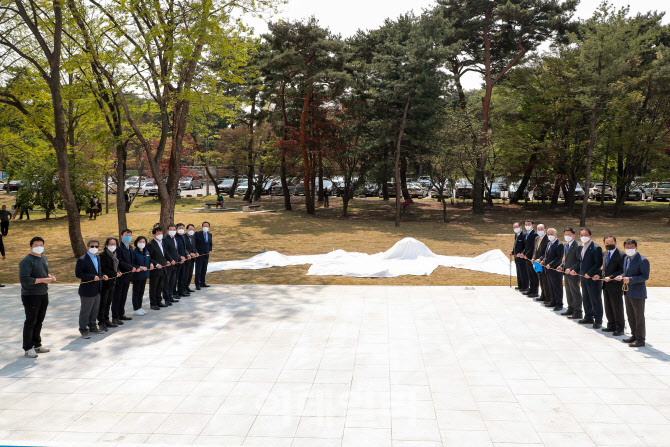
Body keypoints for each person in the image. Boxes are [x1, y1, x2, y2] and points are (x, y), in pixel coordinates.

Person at [19, 237, 56, 358]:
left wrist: (50, 277)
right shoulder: (27, 261)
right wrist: (43, 280)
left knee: (39, 320)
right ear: (31, 247)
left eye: (41, 245)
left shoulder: (43, 257)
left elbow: (44, 273)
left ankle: (37, 344)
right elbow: (25, 280)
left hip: (43, 293)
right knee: (31, 321)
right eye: (36, 245)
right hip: (31, 295)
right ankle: (28, 347)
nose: (39, 247)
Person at [617, 239, 650, 347]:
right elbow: (626, 272)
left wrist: (630, 279)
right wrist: (621, 276)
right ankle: (634, 335)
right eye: (627, 247)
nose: (629, 249)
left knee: (638, 316)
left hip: (637, 293)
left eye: (631, 247)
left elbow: (645, 276)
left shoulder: (643, 260)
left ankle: (640, 339)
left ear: (636, 248)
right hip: (627, 291)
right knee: (630, 315)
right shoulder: (627, 258)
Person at [594, 235, 625, 336]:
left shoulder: (621, 255)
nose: (609, 244)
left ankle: (620, 328)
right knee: (608, 306)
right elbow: (604, 269)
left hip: (616, 285)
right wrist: (598, 275)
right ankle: (611, 325)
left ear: (615, 243)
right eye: (607, 243)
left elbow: (622, 270)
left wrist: (611, 277)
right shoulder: (605, 253)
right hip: (605, 285)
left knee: (617, 306)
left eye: (611, 242)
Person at [75, 240, 104, 339]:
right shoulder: (82, 259)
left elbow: (99, 271)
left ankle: (92, 326)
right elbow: (78, 274)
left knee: (95, 309)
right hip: (87, 289)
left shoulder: (98, 258)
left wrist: (103, 275)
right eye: (92, 246)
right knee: (86, 310)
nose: (94, 248)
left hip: (97, 288)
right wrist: (91, 277)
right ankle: (83, 329)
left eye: (96, 246)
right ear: (87, 247)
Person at [576, 228, 604, 329]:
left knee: (595, 299)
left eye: (586, 234)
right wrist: (575, 270)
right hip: (583, 277)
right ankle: (588, 316)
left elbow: (598, 263)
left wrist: (590, 273)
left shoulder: (596, 248)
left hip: (593, 278)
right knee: (586, 298)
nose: (584, 236)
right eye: (582, 235)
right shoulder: (580, 247)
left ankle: (598, 320)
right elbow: (580, 262)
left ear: (590, 236)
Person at [558, 228, 583, 319]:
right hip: (567, 273)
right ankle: (570, 308)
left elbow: (579, 261)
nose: (567, 236)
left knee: (575, 292)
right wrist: (561, 265)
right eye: (565, 234)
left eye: (569, 234)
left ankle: (578, 311)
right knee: (568, 291)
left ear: (573, 235)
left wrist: (572, 269)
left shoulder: (578, 246)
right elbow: (566, 259)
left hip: (574, 273)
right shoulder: (566, 245)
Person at [111, 229, 135, 324]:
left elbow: (132, 261)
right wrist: (130, 267)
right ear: (121, 236)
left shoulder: (130, 247)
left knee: (124, 295)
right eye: (126, 234)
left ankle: (121, 313)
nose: (128, 236)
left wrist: (134, 267)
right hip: (120, 276)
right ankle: (115, 316)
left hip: (127, 276)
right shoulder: (119, 248)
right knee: (117, 296)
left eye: (130, 234)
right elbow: (119, 261)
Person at [98, 237, 121, 331]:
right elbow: (103, 268)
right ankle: (101, 321)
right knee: (103, 303)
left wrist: (118, 272)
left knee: (108, 302)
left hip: (113, 281)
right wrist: (114, 273)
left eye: (114, 244)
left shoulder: (115, 254)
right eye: (111, 244)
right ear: (107, 245)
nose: (113, 246)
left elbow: (116, 266)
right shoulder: (102, 255)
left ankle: (107, 319)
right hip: (105, 282)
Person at [542, 228, 565, 311]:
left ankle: (559, 304)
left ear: (556, 234)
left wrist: (551, 264)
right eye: (548, 234)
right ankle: (553, 301)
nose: (550, 235)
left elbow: (559, 257)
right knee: (551, 286)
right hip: (548, 269)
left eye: (551, 234)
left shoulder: (559, 244)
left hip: (555, 269)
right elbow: (547, 256)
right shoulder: (549, 243)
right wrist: (543, 261)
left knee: (557, 287)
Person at [147, 227, 168, 309]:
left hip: (162, 268)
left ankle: (159, 301)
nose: (160, 235)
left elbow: (163, 255)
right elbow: (149, 257)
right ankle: (153, 303)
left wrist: (166, 261)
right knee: (153, 287)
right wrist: (156, 264)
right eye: (158, 233)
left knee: (160, 286)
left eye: (161, 233)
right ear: (154, 235)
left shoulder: (161, 243)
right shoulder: (150, 244)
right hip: (155, 269)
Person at [131, 236, 152, 316]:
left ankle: (139, 307)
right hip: (137, 275)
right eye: (140, 242)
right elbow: (132, 263)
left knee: (141, 292)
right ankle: (136, 308)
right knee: (136, 292)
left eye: (143, 242)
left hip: (144, 275)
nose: (142, 243)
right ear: (136, 243)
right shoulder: (134, 252)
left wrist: (151, 264)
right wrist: (139, 267)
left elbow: (148, 260)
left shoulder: (146, 252)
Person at [520, 220, 539, 298]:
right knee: (530, 274)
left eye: (529, 224)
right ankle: (530, 289)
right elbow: (526, 246)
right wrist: (523, 253)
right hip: (527, 257)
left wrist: (527, 255)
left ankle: (535, 291)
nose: (527, 225)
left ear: (533, 225)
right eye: (526, 224)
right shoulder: (526, 234)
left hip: (532, 258)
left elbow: (533, 247)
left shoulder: (534, 234)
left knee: (534, 275)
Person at [164, 224, 181, 303]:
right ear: (167, 230)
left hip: (175, 263)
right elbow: (166, 251)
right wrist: (170, 260)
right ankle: (166, 298)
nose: (172, 231)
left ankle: (170, 296)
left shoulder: (175, 239)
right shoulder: (165, 239)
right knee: (167, 282)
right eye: (171, 229)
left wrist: (179, 258)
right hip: (169, 264)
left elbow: (175, 251)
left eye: (174, 229)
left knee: (172, 281)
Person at [531, 224, 549, 302]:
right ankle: (543, 295)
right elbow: (535, 250)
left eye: (541, 229)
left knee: (545, 281)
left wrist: (540, 259)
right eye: (538, 229)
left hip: (543, 262)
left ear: (545, 229)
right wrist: (533, 258)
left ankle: (548, 298)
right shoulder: (537, 238)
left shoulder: (548, 239)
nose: (540, 230)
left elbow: (546, 252)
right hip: (537, 263)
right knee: (540, 280)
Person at [194, 221, 213, 289]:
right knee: (198, 270)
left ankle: (202, 282)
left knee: (204, 269)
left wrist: (210, 250)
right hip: (199, 255)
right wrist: (196, 252)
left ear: (209, 227)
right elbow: (194, 244)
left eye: (207, 226)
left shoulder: (210, 235)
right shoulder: (197, 234)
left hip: (206, 255)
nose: (205, 227)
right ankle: (197, 284)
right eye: (204, 226)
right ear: (202, 227)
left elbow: (210, 244)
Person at [175, 223, 192, 297]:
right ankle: (174, 292)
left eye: (182, 228)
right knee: (175, 278)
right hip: (177, 260)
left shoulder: (182, 237)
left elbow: (184, 248)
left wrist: (187, 254)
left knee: (182, 276)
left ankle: (182, 290)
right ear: (176, 229)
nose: (181, 229)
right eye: (179, 228)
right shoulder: (175, 237)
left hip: (183, 260)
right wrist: (179, 257)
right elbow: (174, 250)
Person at [510, 222, 527, 292]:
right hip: (516, 257)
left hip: (522, 257)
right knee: (519, 271)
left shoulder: (524, 235)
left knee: (523, 272)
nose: (515, 229)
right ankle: (520, 285)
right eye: (514, 227)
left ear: (520, 227)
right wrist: (513, 252)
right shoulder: (516, 234)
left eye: (516, 227)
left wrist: (522, 253)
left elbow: (526, 246)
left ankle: (525, 286)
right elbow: (516, 245)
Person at [183, 224, 198, 292]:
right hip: (186, 258)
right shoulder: (183, 237)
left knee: (190, 273)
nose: (191, 231)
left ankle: (187, 286)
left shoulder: (193, 237)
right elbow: (183, 248)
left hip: (192, 259)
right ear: (187, 229)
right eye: (190, 229)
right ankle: (183, 287)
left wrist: (196, 252)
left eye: (193, 229)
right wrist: (189, 253)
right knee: (185, 274)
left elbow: (194, 247)